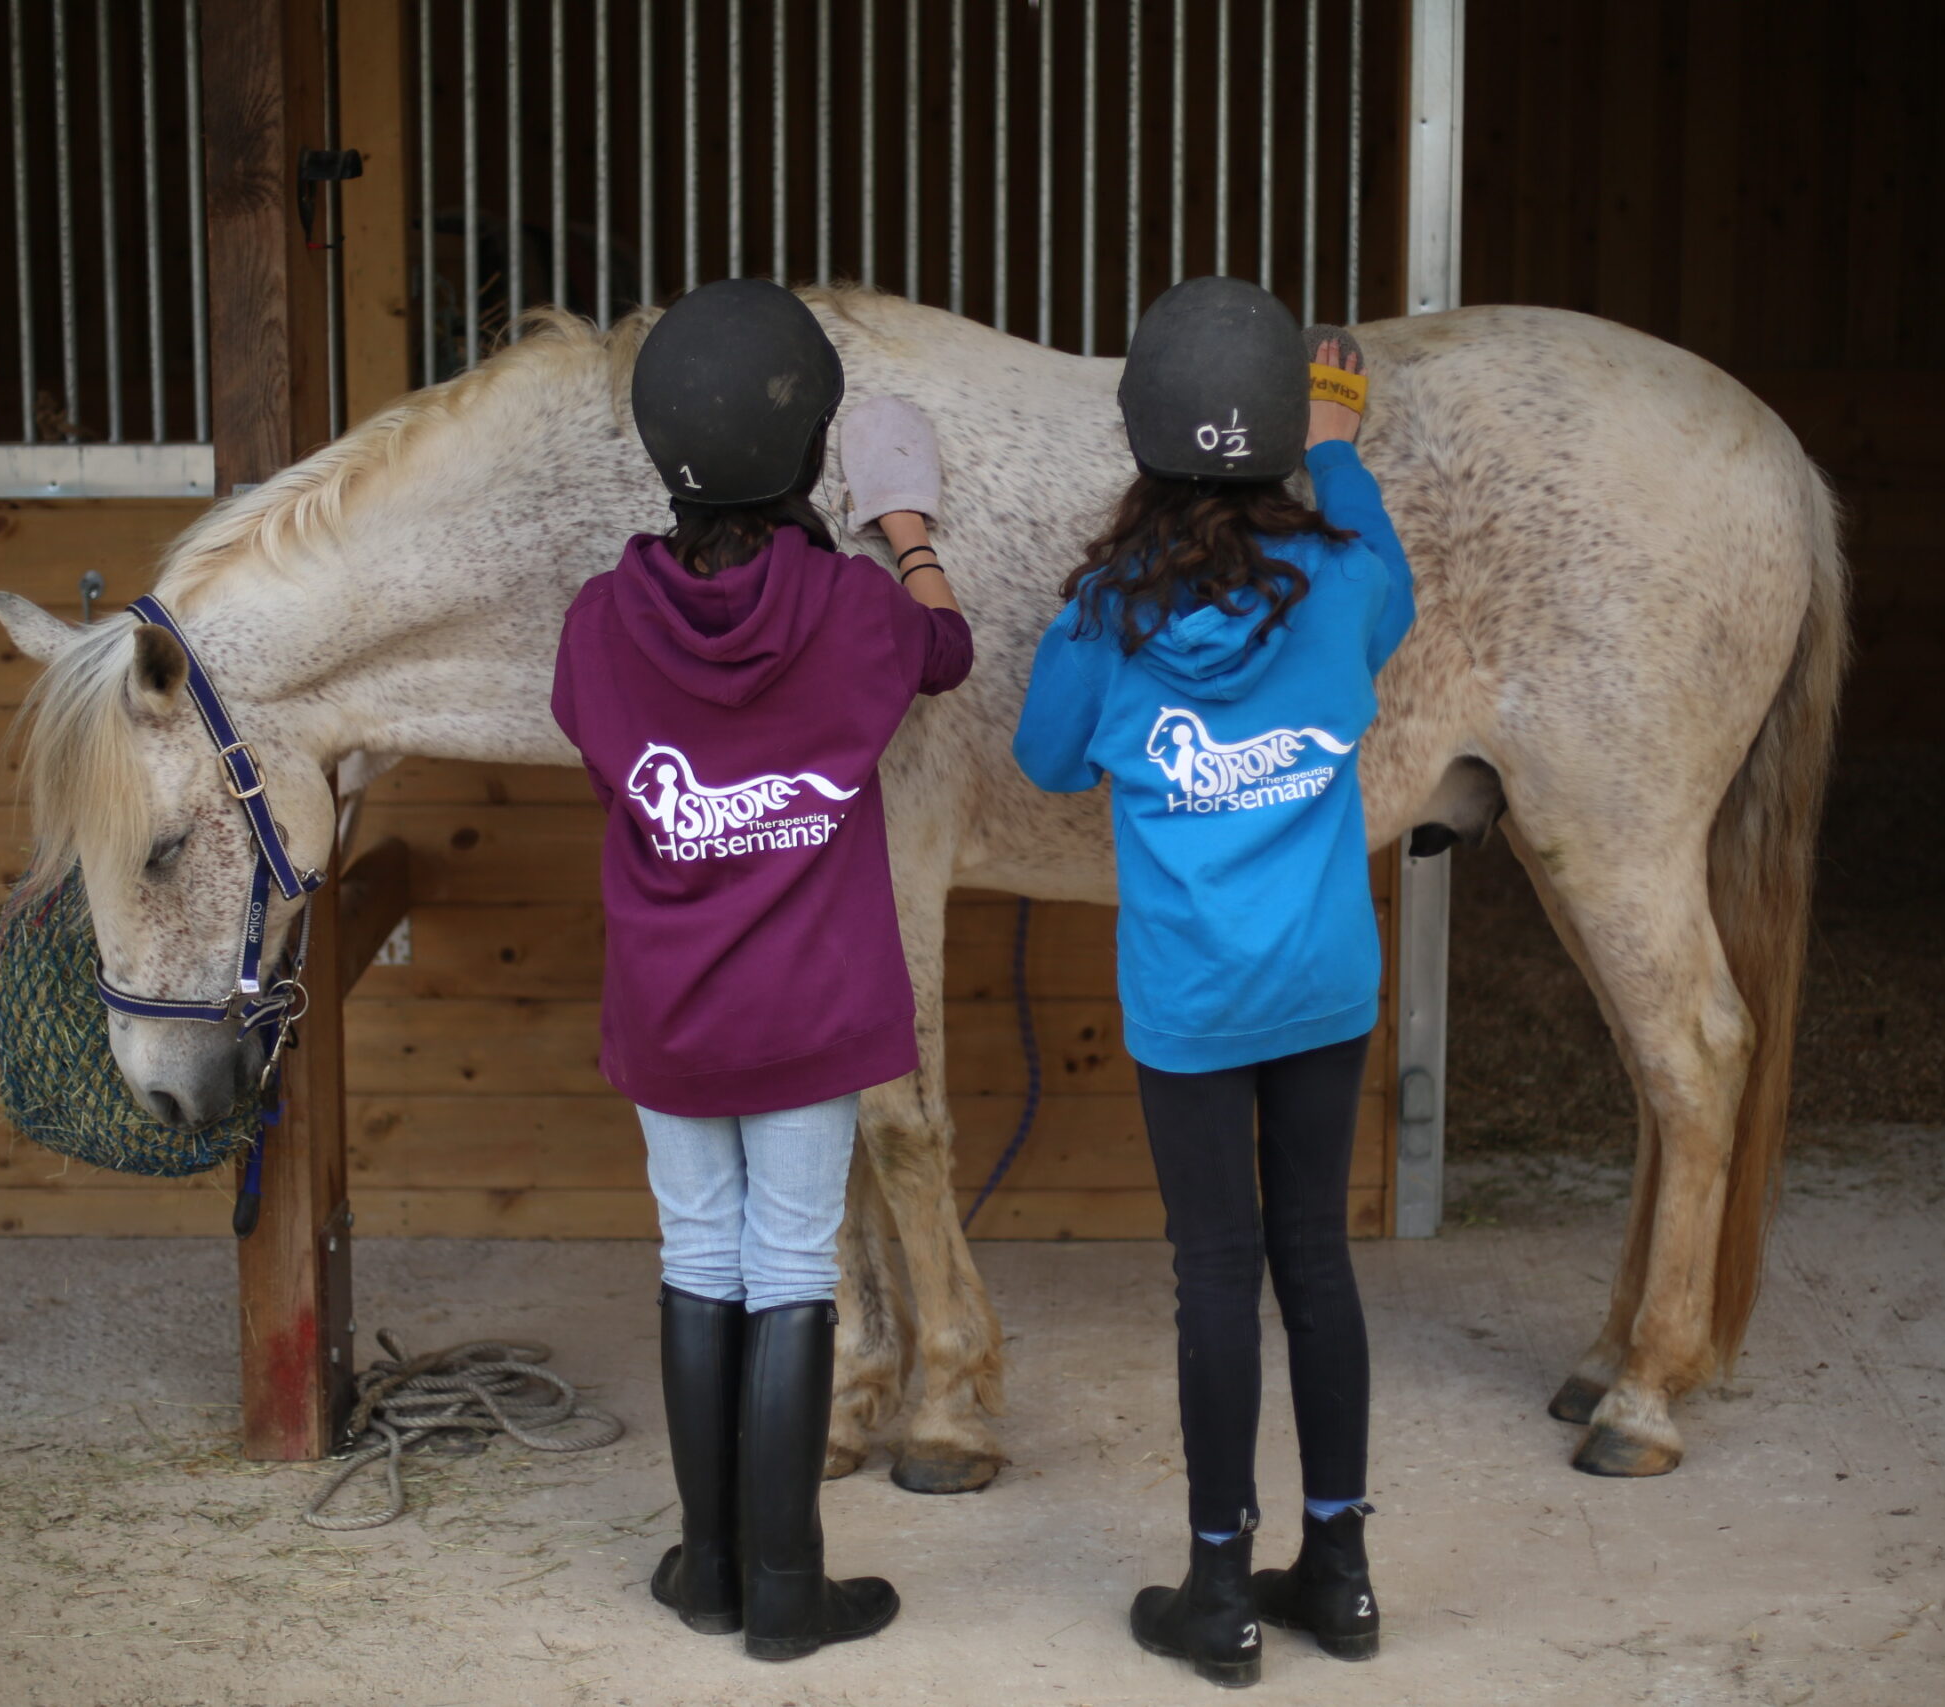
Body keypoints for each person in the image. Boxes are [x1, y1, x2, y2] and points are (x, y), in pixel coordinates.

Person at [550, 278, 969, 1662]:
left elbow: (591, 722)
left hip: (672, 1009)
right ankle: (791, 1588)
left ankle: (713, 1568)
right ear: (810, 454)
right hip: (814, 1008)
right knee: (790, 1266)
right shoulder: (855, 611)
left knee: (698, 1255)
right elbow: (946, 650)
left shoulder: (604, 622)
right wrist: (904, 532)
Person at [1012, 276, 1414, 1688]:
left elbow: (1048, 761)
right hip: (1325, 991)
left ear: (1145, 441)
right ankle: (1345, 1575)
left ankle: (1223, 1591)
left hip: (1191, 1009)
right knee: (1317, 1260)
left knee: (1215, 1275)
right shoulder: (1346, 589)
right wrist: (1345, 444)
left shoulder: (1110, 622)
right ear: (1283, 444)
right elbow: (1392, 583)